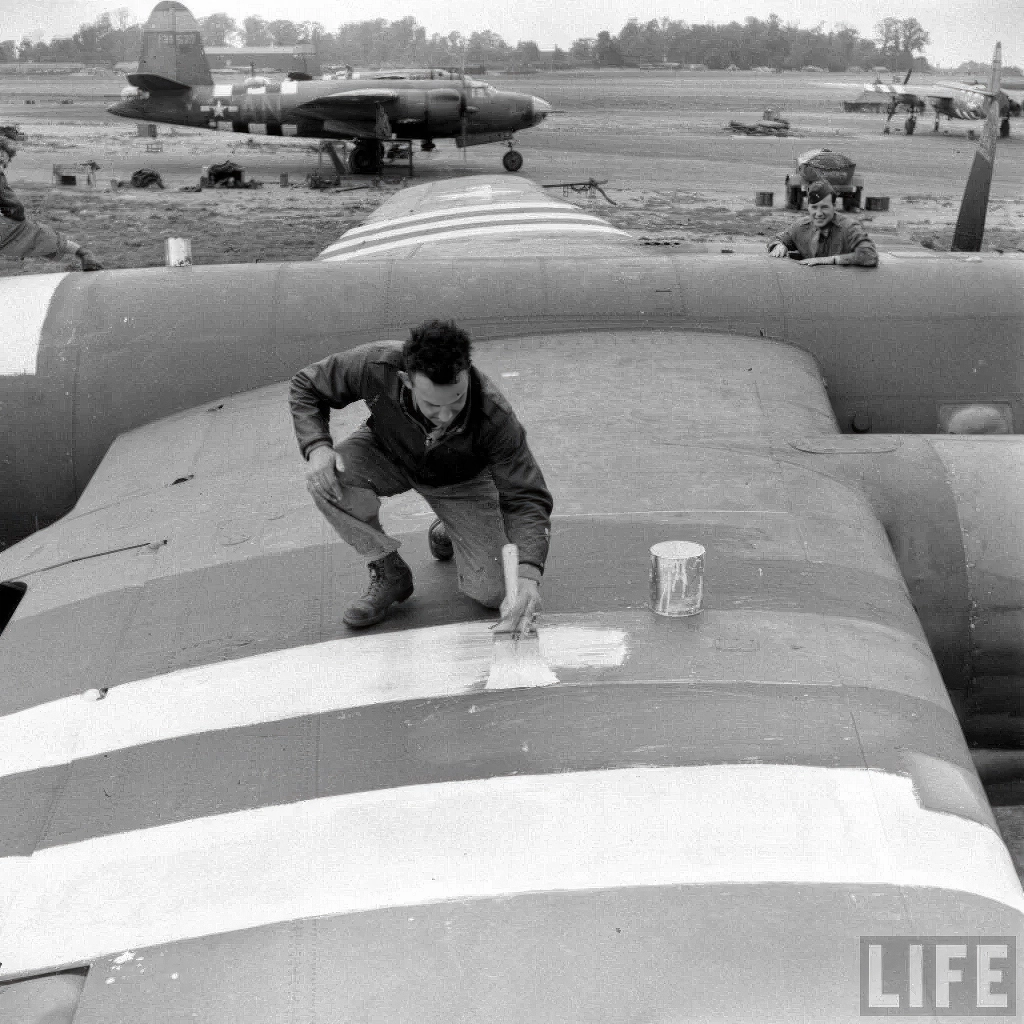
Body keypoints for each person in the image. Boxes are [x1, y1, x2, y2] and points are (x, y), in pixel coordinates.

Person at [290, 320, 552, 633]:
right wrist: (317, 447)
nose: (445, 416)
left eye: (456, 401)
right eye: (432, 404)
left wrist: (528, 576)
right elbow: (306, 385)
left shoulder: (494, 416)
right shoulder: (375, 364)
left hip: (461, 484)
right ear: (406, 380)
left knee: (495, 592)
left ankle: (452, 527)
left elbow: (525, 496)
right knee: (327, 480)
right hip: (388, 452)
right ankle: (390, 572)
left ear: (466, 374)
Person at [0, 137, 103, 271]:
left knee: (42, 236)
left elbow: (13, 206)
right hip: (11, 221)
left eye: (4, 165)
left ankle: (84, 254)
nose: (2, 168)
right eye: (1, 162)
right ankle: (84, 253)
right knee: (41, 235)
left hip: (12, 222)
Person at [768, 180, 878, 268]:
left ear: (834, 206)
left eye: (824, 207)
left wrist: (830, 260)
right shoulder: (800, 227)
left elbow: (869, 255)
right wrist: (778, 245)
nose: (819, 213)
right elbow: (777, 238)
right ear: (808, 207)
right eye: (814, 207)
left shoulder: (850, 228)